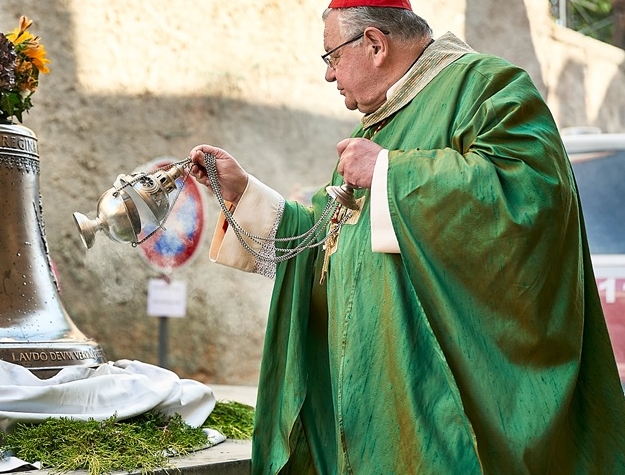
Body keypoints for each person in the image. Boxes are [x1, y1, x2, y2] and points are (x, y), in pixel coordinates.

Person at [188, 0, 625, 473]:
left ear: (375, 44)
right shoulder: (378, 125)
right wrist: (243, 191)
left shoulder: (485, 86)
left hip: (437, 403)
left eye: (331, 57)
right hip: (374, 399)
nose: (330, 77)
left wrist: (389, 171)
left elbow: (532, 195)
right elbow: (328, 234)